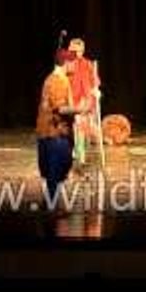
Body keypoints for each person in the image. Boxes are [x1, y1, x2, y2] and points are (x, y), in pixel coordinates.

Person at [36, 49, 88, 203]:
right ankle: (49, 210)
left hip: (54, 135)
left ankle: (50, 208)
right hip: (54, 135)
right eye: (73, 63)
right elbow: (60, 108)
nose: (75, 66)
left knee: (56, 175)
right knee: (55, 175)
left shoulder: (56, 78)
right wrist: (80, 108)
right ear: (66, 63)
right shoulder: (58, 80)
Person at [67, 37, 102, 163]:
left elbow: (95, 81)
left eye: (80, 50)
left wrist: (96, 90)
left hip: (85, 100)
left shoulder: (87, 64)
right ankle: (78, 148)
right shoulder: (66, 65)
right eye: (75, 51)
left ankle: (79, 149)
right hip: (70, 100)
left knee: (82, 120)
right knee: (77, 121)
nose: (78, 53)